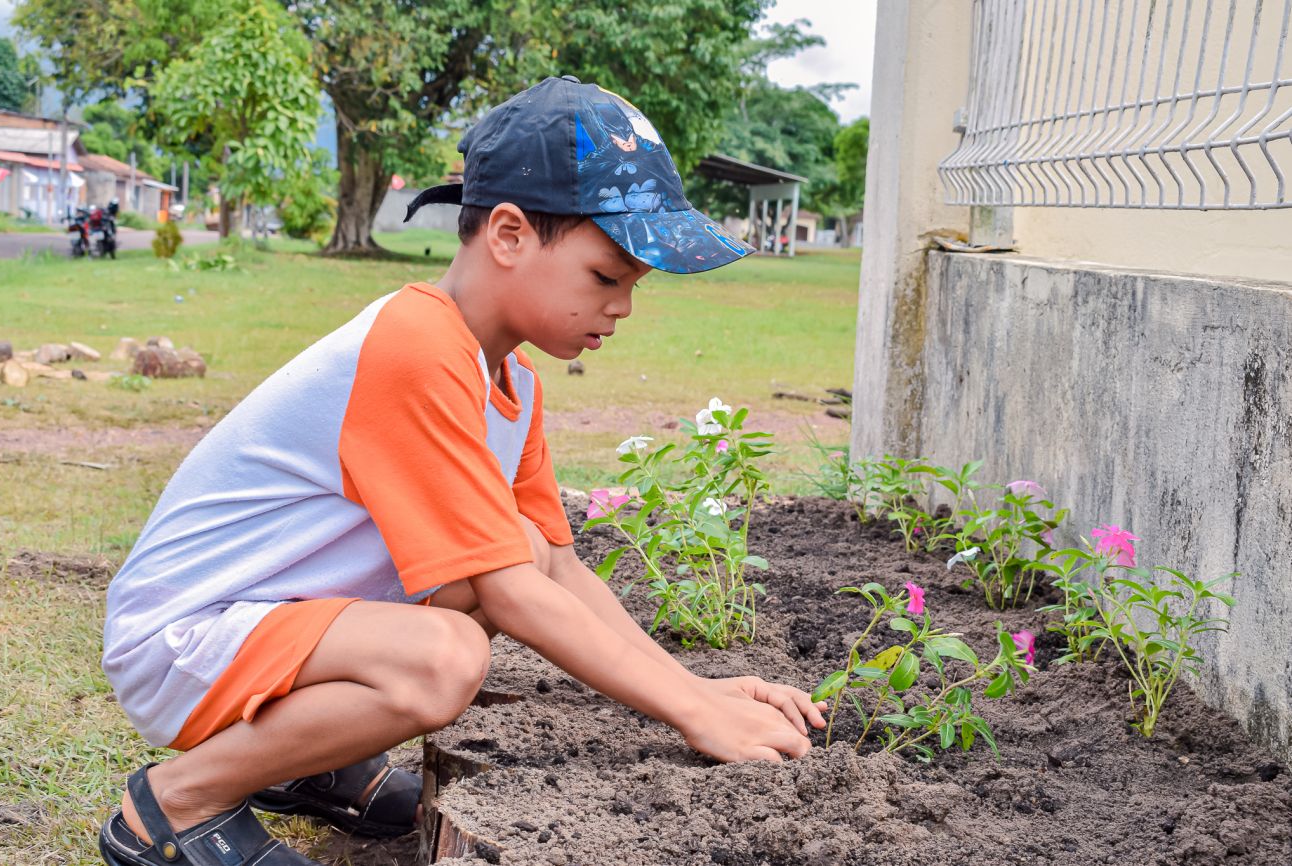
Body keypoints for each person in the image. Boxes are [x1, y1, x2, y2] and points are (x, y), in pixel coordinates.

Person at [98, 76, 826, 866]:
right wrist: (692, 713)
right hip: (184, 640)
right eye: (606, 276)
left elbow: (558, 570)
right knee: (444, 658)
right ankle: (173, 805)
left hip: (271, 627)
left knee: (520, 546)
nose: (623, 306)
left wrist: (696, 689)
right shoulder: (416, 346)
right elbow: (512, 597)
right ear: (509, 235)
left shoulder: (511, 381)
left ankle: (313, 765)